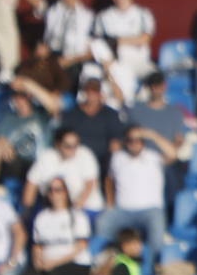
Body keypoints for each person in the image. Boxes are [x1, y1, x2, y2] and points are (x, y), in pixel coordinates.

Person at [97, 126, 178, 264]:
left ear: (143, 141)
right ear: (125, 141)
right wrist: (110, 202)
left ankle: (152, 268)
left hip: (150, 210)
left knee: (157, 235)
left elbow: (173, 154)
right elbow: (109, 180)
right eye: (130, 140)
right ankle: (103, 265)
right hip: (122, 210)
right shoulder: (118, 157)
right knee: (103, 222)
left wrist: (152, 135)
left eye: (138, 140)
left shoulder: (153, 157)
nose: (134, 143)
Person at [0, 80, 56, 186]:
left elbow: (54, 105)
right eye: (16, 96)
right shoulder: (7, 119)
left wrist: (27, 84)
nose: (20, 100)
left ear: (31, 97)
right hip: (16, 163)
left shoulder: (42, 114)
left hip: (39, 162)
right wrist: (0, 142)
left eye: (23, 96)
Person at [24, 0, 94, 85]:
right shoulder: (52, 10)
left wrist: (70, 60)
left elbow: (92, 52)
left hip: (74, 62)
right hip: (50, 58)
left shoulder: (88, 17)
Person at [92, 0, 156, 83]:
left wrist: (116, 41)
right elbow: (99, 42)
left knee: (156, 77)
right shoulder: (103, 17)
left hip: (140, 63)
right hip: (114, 64)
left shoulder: (143, 14)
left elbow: (145, 39)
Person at [24, 128, 103, 213]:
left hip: (87, 208)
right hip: (53, 210)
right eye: (68, 146)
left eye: (75, 145)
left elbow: (90, 185)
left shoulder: (85, 154)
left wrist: (74, 210)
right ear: (57, 145)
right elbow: (31, 184)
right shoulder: (46, 157)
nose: (73, 149)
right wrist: (28, 211)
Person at [59, 77, 125, 173]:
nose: (92, 95)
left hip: (102, 163)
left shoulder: (111, 114)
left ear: (100, 94)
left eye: (95, 91)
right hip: (76, 162)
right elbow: (64, 138)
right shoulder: (72, 114)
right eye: (89, 91)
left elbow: (116, 142)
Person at [29, 178, 92, 275]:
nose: (53, 193)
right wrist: (38, 263)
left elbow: (81, 246)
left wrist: (54, 263)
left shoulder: (77, 216)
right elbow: (37, 246)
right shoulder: (42, 217)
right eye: (50, 190)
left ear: (66, 192)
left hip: (74, 263)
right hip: (48, 264)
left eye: (58, 190)